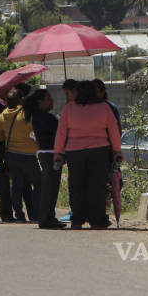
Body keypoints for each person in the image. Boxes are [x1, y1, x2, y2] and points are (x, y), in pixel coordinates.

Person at [54, 80, 122, 230]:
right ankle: (96, 220)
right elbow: (113, 130)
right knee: (97, 186)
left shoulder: (69, 108)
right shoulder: (104, 108)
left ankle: (77, 219)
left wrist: (58, 152)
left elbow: (61, 132)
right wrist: (117, 150)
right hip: (99, 151)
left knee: (76, 185)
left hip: (74, 152)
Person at [0, 87, 41, 222]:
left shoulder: (2, 116)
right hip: (28, 155)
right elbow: (36, 132)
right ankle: (36, 213)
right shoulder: (26, 114)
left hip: (11, 156)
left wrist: (0, 160)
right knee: (39, 183)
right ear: (21, 99)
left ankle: (19, 214)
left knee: (17, 186)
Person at [24, 87, 65, 229]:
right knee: (51, 188)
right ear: (39, 102)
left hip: (45, 153)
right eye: (48, 99)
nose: (52, 102)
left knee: (50, 187)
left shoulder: (37, 116)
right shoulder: (45, 118)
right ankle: (47, 218)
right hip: (51, 154)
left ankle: (47, 217)